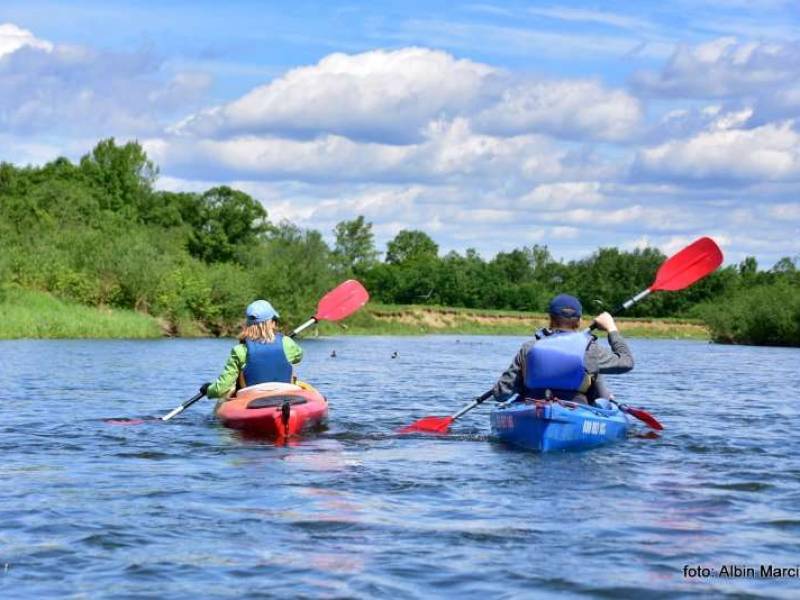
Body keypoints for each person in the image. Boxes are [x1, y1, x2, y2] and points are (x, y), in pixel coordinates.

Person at [490, 294, 633, 405]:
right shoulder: (589, 349)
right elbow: (626, 362)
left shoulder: (530, 347)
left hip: (532, 406)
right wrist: (611, 328)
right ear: (579, 321)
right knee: (593, 375)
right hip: (576, 410)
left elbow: (501, 394)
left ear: (551, 319)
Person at [200, 300, 303, 401]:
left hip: (252, 398)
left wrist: (208, 390)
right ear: (271, 323)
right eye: (274, 320)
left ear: (248, 324)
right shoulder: (287, 343)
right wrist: (283, 342)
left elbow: (221, 389)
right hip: (284, 396)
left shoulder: (239, 350)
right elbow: (299, 357)